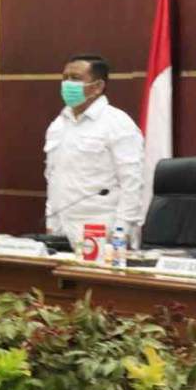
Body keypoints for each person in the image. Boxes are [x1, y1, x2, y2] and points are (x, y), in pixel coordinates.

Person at [44, 54, 144, 246]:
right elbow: (53, 178)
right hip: (62, 229)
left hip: (103, 230)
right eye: (65, 78)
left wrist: (121, 231)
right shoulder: (58, 125)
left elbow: (132, 182)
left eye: (75, 78)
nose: (67, 84)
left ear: (98, 86)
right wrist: (51, 221)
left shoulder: (117, 123)